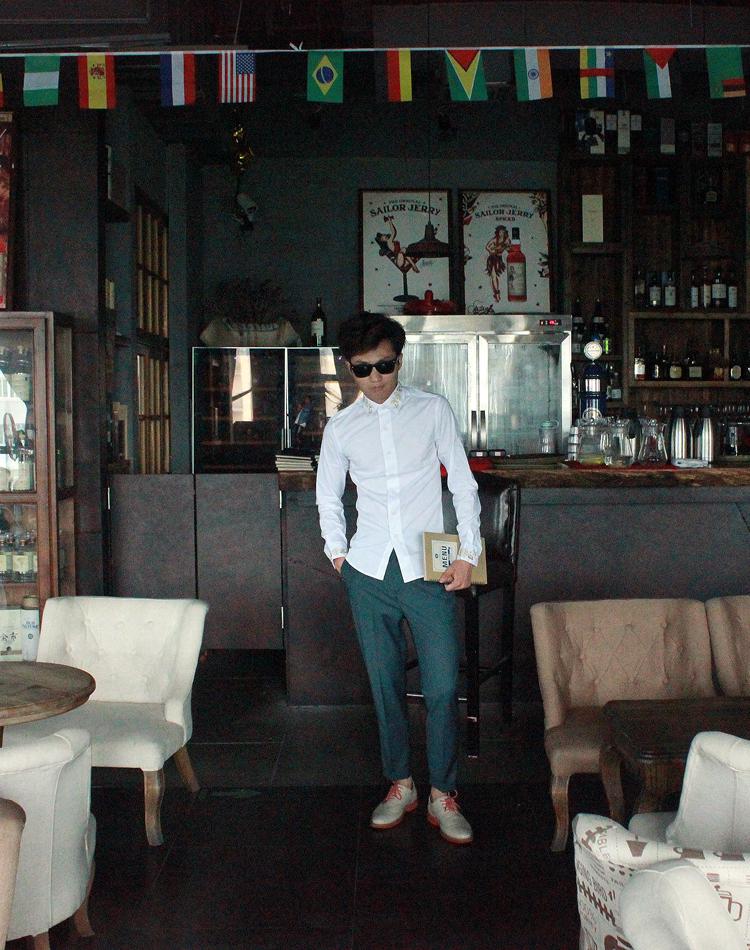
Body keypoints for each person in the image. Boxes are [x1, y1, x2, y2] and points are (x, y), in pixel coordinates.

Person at [316, 312, 481, 845]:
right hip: (367, 570)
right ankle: (401, 784)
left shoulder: (432, 410)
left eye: (385, 366)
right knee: (385, 685)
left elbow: (462, 485)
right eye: (363, 369)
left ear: (400, 360)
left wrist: (469, 553)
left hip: (428, 570)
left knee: (443, 686)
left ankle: (443, 793)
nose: (376, 378)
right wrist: (338, 554)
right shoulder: (341, 427)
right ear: (349, 368)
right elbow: (327, 496)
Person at [485, 225, 511, 303]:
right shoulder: (495, 239)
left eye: (502, 232)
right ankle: (497, 294)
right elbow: (487, 246)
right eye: (500, 232)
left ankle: (497, 293)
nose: (501, 233)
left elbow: (509, 249)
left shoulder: (506, 240)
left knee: (496, 276)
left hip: (499, 259)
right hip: (492, 258)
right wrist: (491, 251)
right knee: (493, 276)